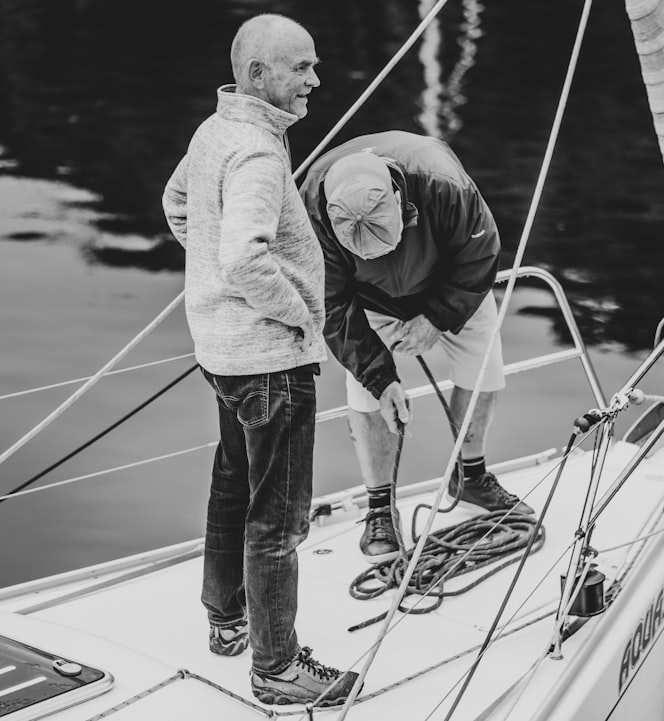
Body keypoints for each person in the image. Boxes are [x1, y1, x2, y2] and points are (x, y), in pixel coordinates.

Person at [161, 13, 358, 707]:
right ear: (257, 77)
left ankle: (226, 619)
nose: (314, 80)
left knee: (232, 485)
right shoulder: (257, 155)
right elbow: (245, 254)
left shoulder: (215, 132)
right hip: (270, 362)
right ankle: (277, 668)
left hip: (223, 352)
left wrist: (217, 291)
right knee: (278, 518)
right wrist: (299, 313)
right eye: (300, 68)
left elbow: (178, 202)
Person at [299, 130, 534, 563]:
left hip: (449, 282)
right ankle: (379, 507)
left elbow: (480, 257)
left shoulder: (444, 184)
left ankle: (471, 476)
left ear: (399, 197)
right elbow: (331, 305)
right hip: (370, 298)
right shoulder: (309, 211)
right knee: (364, 388)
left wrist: (438, 317)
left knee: (483, 360)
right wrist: (380, 376)